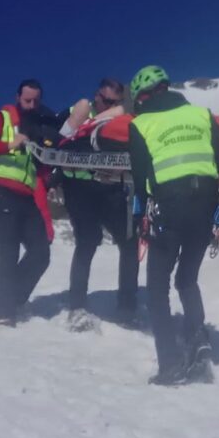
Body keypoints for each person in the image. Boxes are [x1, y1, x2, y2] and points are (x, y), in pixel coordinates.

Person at [128, 65, 219, 385]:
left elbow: (141, 177)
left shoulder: (140, 124)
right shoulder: (201, 114)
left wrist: (139, 220)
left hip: (169, 208)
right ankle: (198, 339)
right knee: (187, 279)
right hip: (205, 207)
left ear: (142, 96)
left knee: (157, 289)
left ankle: (170, 364)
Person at [56, 78, 139, 330]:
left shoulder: (119, 121)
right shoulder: (78, 112)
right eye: (107, 101)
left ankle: (127, 305)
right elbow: (58, 141)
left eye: (116, 102)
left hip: (109, 189)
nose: (110, 106)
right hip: (79, 188)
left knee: (129, 242)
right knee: (88, 241)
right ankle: (77, 305)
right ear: (97, 97)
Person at [0, 79, 57, 327]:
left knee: (41, 252)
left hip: (27, 195)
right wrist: (8, 144)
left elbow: (37, 163)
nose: (31, 105)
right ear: (17, 97)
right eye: (26, 100)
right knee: (8, 252)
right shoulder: (2, 117)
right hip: (1, 191)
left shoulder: (37, 126)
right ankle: (3, 311)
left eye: (36, 100)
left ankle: (14, 298)